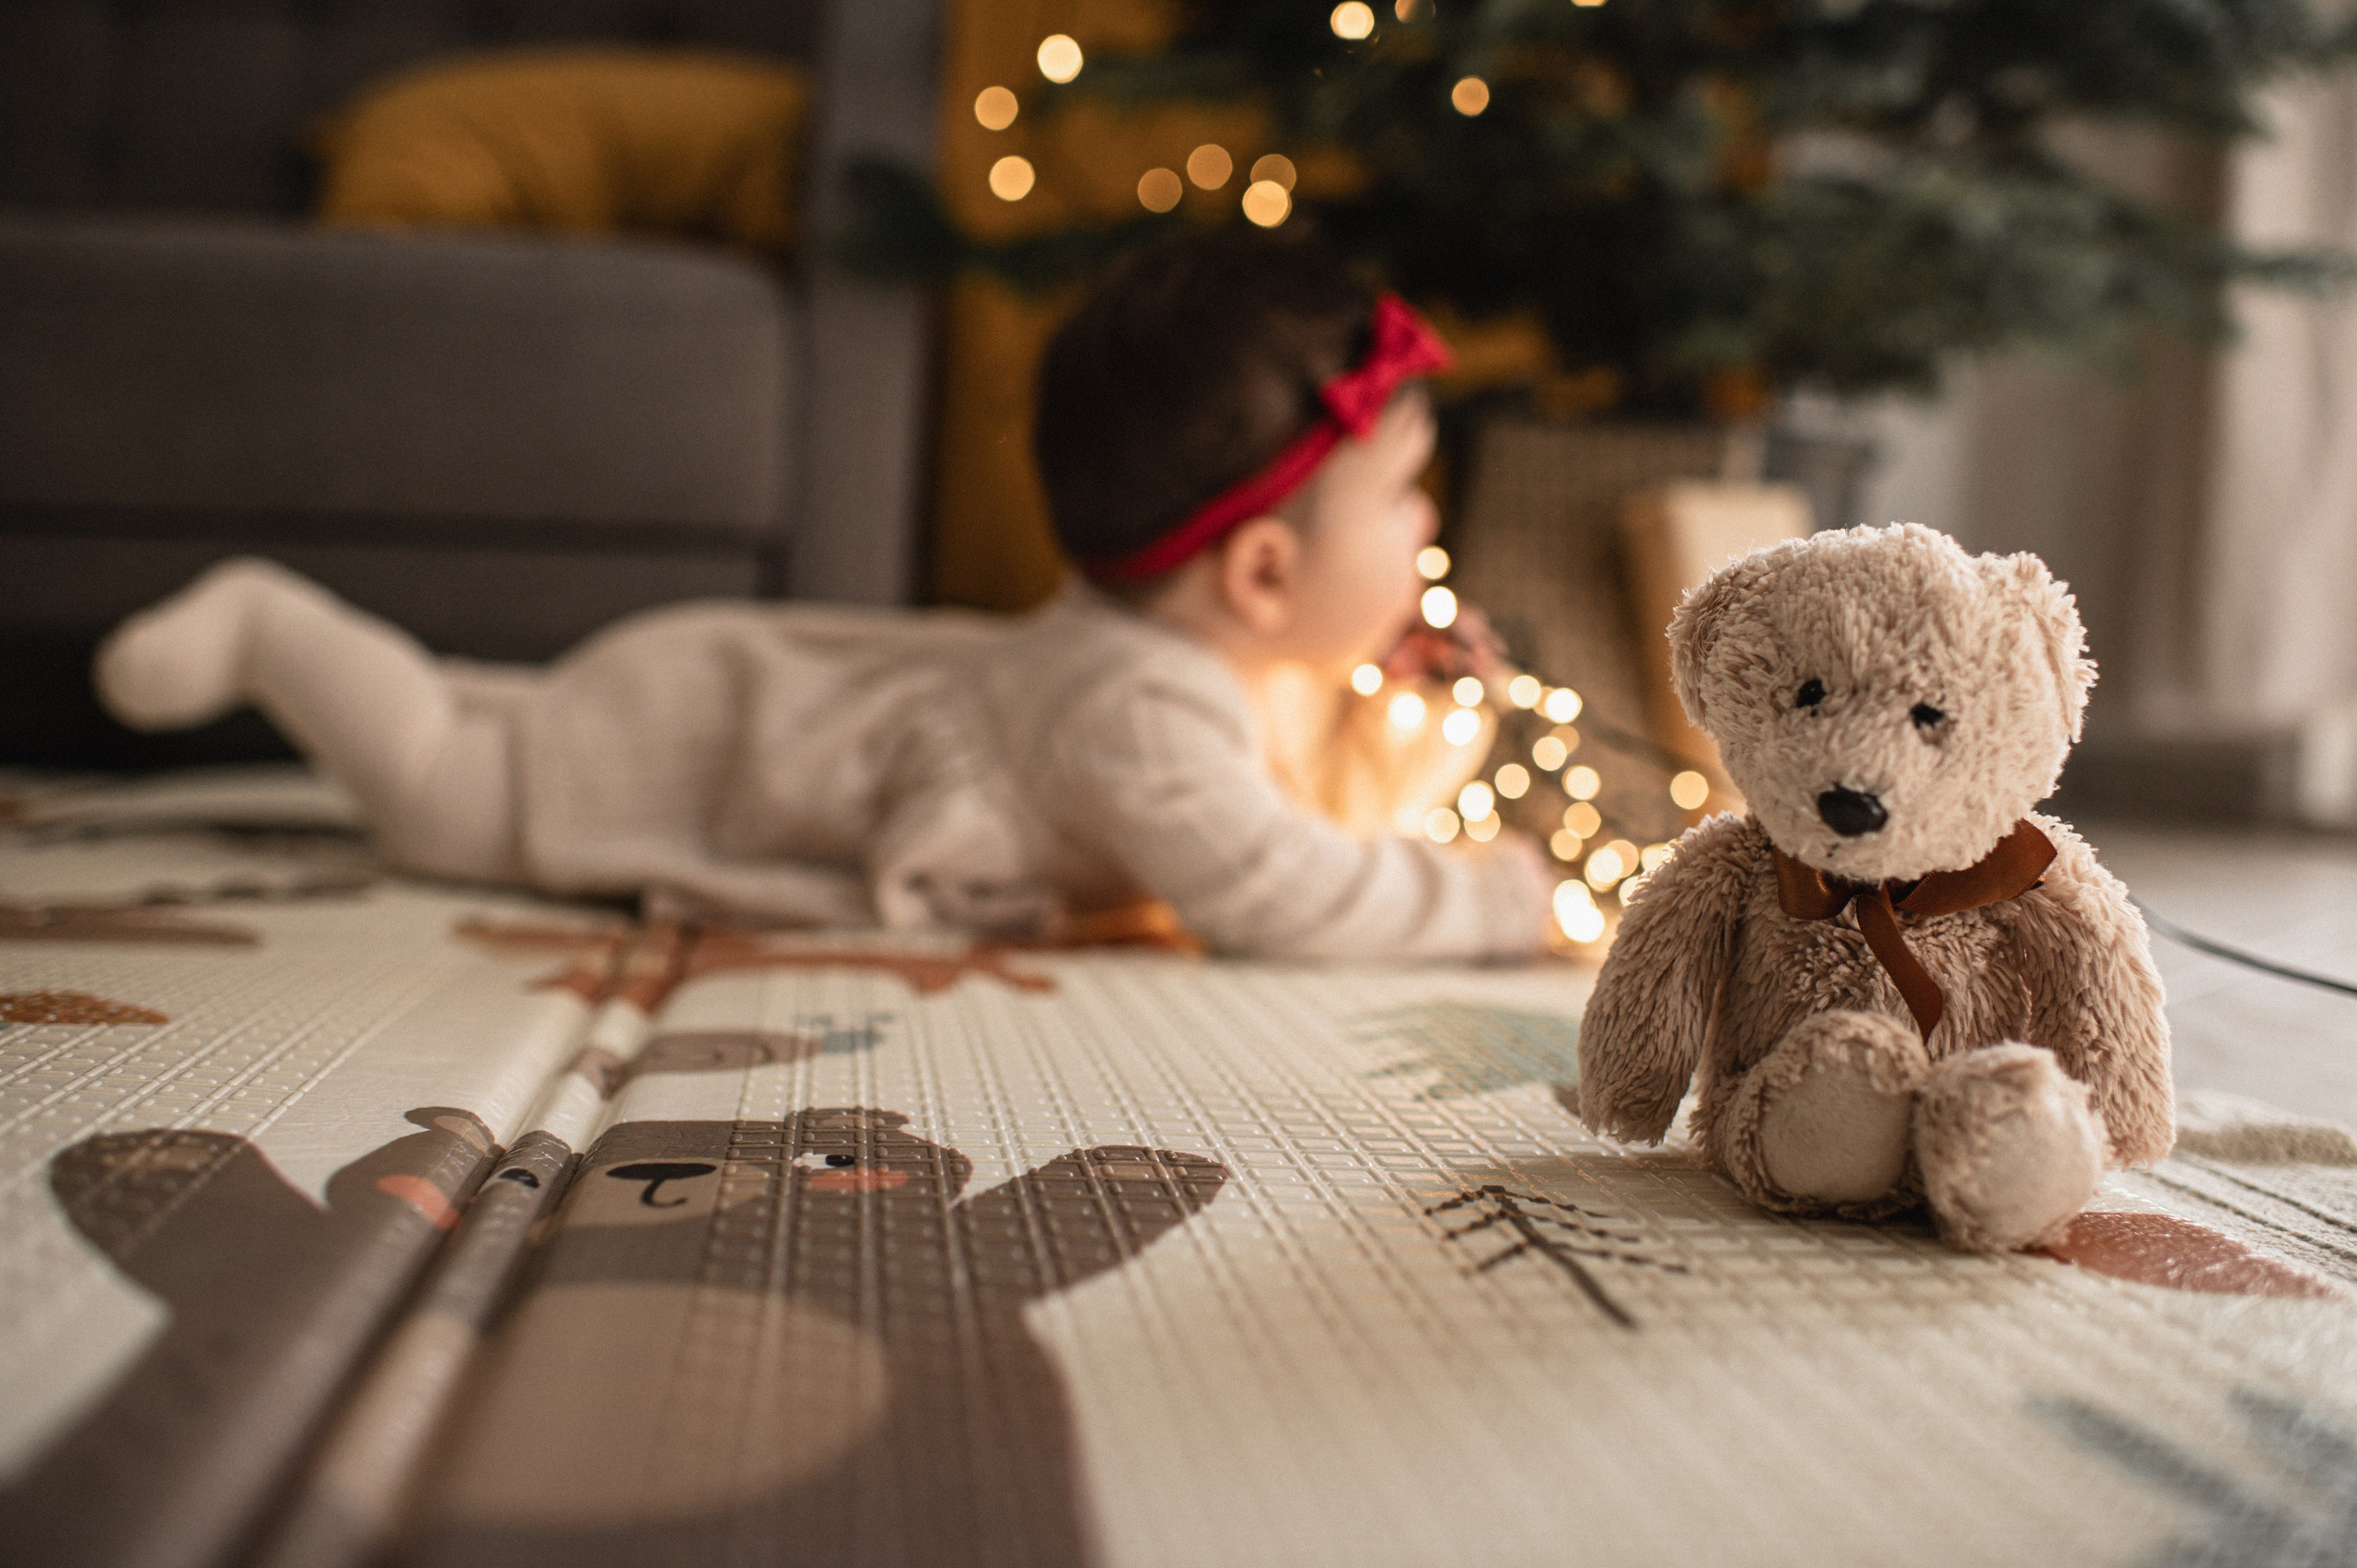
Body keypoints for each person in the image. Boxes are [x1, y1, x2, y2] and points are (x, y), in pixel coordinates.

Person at [94, 227, 1557, 958]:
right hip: (719, 741)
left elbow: (1316, 819)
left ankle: (394, 662)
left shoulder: (1203, 669)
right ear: (1260, 571)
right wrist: (1494, 905)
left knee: (509, 712)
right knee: (442, 793)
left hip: (750, 691)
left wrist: (1436, 725)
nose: (1431, 523)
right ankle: (273, 623)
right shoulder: (1140, 714)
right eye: (1406, 494)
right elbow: (1286, 896)